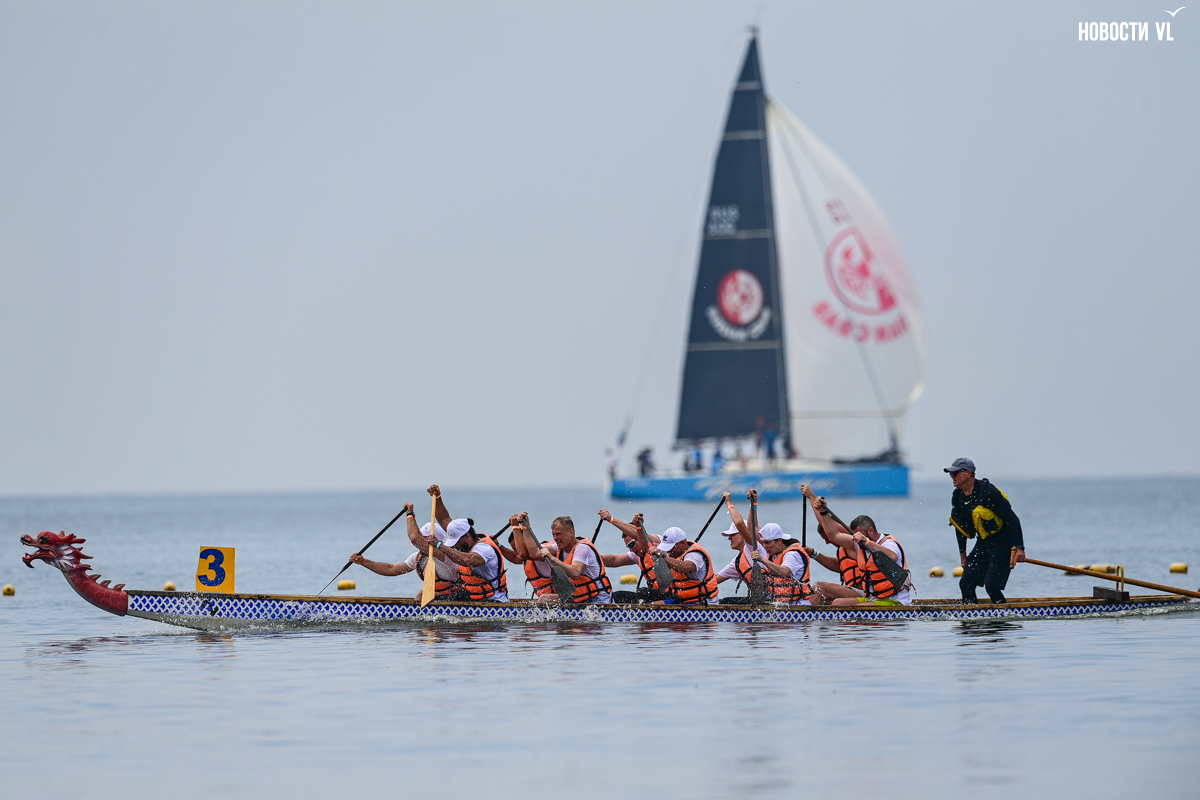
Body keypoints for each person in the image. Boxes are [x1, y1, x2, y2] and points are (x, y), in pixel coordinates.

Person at [801, 485, 913, 605]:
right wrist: (823, 511)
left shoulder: (888, 543)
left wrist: (867, 541)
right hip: (874, 597)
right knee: (838, 603)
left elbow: (892, 556)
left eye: (860, 534)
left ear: (870, 531)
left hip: (895, 600)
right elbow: (834, 535)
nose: (857, 537)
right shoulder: (860, 544)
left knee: (843, 607)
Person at [348, 502, 467, 600]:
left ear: (436, 540)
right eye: (422, 536)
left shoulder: (445, 555)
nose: (422, 540)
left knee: (421, 595)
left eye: (425, 538)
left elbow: (415, 539)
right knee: (421, 595)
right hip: (441, 597)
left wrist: (410, 514)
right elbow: (391, 569)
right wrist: (364, 562)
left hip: (459, 598)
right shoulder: (418, 557)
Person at [946, 457, 1025, 604]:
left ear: (968, 473)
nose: (952, 477)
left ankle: (1004, 616)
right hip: (983, 543)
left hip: (1004, 543)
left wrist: (1019, 547)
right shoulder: (957, 497)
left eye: (955, 473)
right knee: (966, 583)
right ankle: (971, 616)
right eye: (951, 474)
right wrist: (963, 555)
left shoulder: (988, 492)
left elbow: (1012, 519)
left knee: (992, 586)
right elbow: (959, 528)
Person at [410, 485, 509, 602]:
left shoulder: (484, 549)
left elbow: (467, 560)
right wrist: (437, 497)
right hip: (472, 598)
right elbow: (444, 519)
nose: (455, 545)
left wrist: (439, 545)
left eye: (457, 542)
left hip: (493, 601)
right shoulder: (464, 538)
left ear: (467, 536)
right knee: (423, 595)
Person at [532, 516, 613, 604]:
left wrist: (552, 558)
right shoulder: (560, 547)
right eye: (553, 534)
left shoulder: (582, 548)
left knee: (544, 599)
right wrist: (525, 527)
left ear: (571, 532)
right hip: (580, 599)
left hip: (600, 601)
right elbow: (534, 553)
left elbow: (575, 573)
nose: (555, 538)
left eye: (558, 534)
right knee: (542, 599)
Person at [712, 491, 770, 604]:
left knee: (725, 603)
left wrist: (728, 502)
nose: (729, 538)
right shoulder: (737, 562)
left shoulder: (753, 548)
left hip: (774, 601)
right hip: (760, 601)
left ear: (744, 534)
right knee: (725, 601)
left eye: (733, 534)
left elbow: (739, 523)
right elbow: (714, 580)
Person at [596, 510, 664, 603]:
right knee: (618, 596)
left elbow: (639, 534)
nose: (631, 549)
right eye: (628, 546)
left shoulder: (660, 545)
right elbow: (614, 560)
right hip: (657, 596)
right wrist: (592, 558)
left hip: (672, 595)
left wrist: (611, 519)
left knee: (643, 592)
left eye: (632, 544)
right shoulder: (637, 555)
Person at [749, 521, 821, 605]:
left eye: (768, 543)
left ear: (780, 540)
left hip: (798, 605)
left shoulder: (792, 554)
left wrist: (761, 559)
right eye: (763, 543)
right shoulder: (774, 553)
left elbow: (784, 572)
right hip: (781, 603)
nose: (764, 546)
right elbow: (752, 528)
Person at [646, 526, 719, 604]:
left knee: (653, 606)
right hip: (684, 601)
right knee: (649, 601)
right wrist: (638, 527)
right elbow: (645, 545)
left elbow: (686, 568)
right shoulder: (674, 551)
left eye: (670, 547)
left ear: (683, 543)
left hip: (702, 603)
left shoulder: (695, 555)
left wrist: (662, 556)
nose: (669, 551)